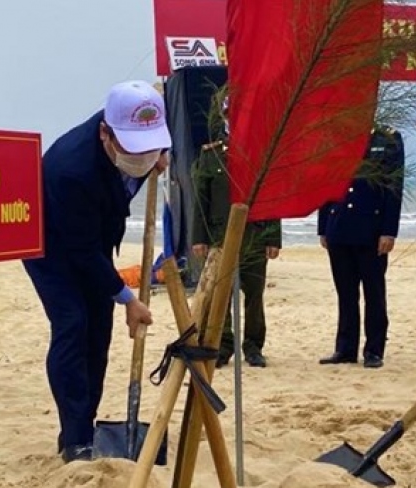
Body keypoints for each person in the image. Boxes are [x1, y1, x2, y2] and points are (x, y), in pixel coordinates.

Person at [22, 80, 168, 462]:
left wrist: (158, 155)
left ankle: (86, 423)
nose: (142, 159)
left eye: (149, 149)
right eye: (134, 151)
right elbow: (82, 252)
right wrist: (127, 298)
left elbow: (153, 143)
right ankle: (75, 438)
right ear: (106, 133)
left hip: (96, 240)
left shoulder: (144, 138)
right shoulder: (72, 169)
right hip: (52, 247)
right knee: (73, 325)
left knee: (98, 332)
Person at [191, 96, 281, 368]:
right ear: (224, 114)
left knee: (254, 294)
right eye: (230, 112)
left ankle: (253, 347)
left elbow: (272, 195)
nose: (234, 116)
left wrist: (274, 237)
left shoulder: (261, 150)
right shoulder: (211, 153)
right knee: (222, 293)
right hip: (220, 236)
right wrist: (199, 238)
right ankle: (223, 346)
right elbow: (201, 200)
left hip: (255, 233)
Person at [317, 126, 404, 369]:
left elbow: (394, 184)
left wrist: (389, 230)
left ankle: (374, 350)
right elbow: (326, 181)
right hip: (340, 224)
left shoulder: (387, 138)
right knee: (346, 293)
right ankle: (345, 348)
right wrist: (324, 225)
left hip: (371, 228)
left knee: (374, 292)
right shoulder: (335, 135)